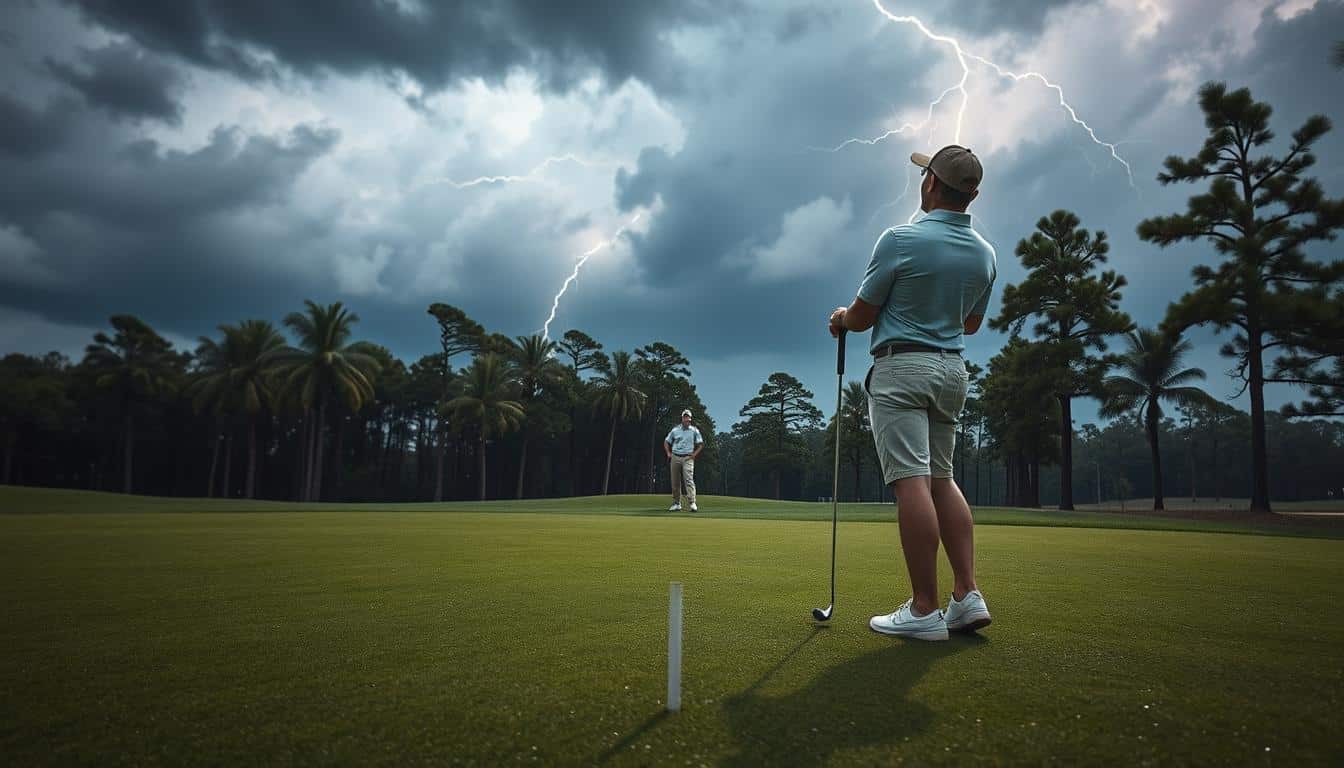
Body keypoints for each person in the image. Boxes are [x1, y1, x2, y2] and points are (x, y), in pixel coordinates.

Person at [828, 145, 997, 641]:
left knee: (912, 483)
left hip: (903, 369)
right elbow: (969, 321)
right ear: (973, 194)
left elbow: (859, 319)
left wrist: (839, 318)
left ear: (929, 184)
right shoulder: (985, 254)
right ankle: (966, 594)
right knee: (942, 480)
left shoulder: (900, 239)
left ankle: (924, 609)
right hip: (953, 372)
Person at [664, 409, 704, 512]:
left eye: (688, 417)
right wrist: (668, 453)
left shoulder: (694, 430)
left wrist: (694, 454)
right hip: (675, 457)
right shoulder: (675, 430)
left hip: (688, 458)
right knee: (675, 481)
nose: (687, 419)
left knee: (688, 479)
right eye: (685, 417)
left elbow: (700, 444)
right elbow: (666, 441)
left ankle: (692, 503)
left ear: (690, 419)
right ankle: (677, 503)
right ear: (682, 418)